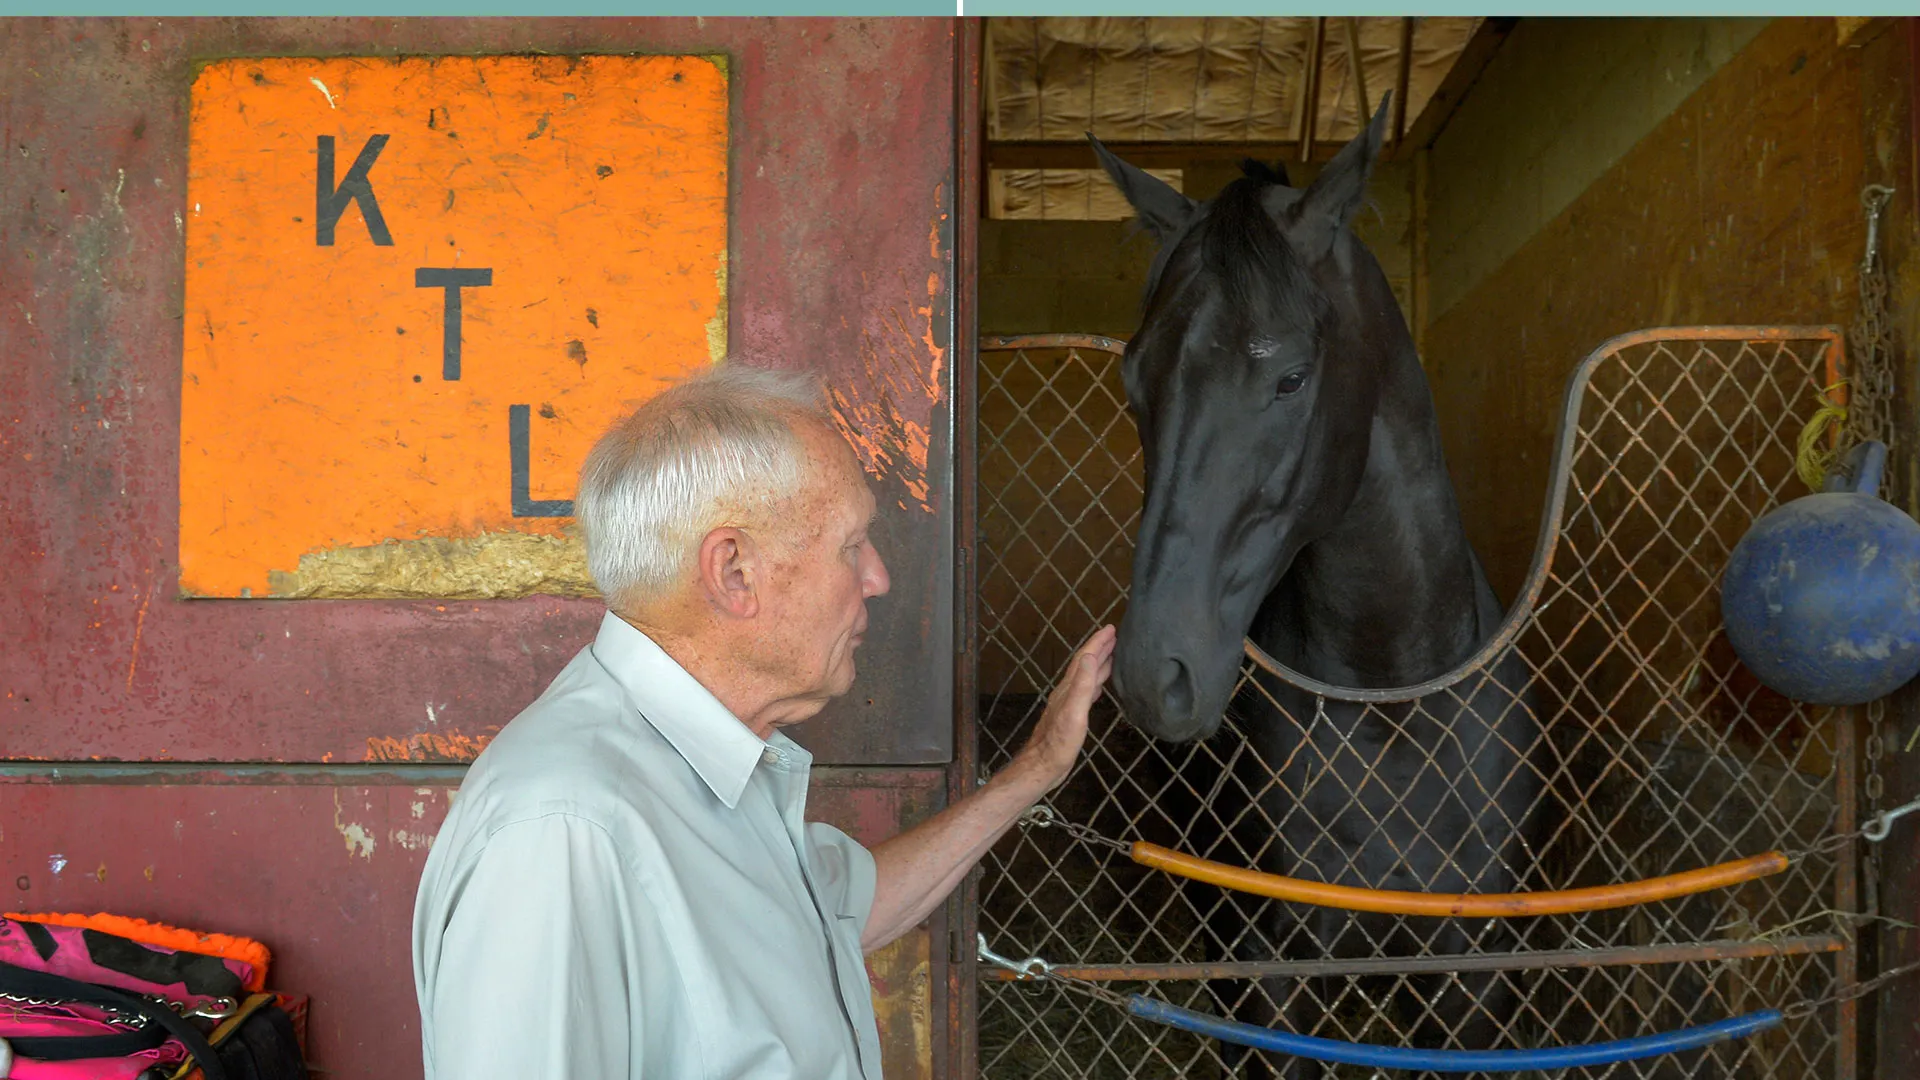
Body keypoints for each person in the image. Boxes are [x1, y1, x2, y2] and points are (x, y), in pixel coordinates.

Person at [412, 363, 1116, 1079]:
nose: (877, 577)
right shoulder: (561, 830)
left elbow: (841, 913)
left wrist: (1035, 770)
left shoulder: (710, 760)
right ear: (735, 572)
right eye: (850, 546)